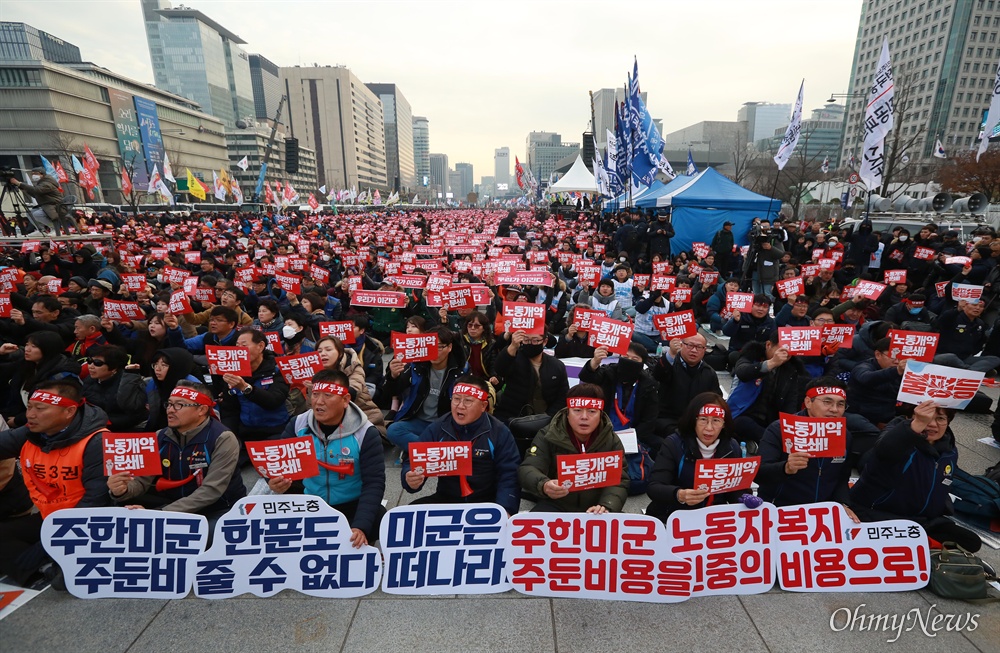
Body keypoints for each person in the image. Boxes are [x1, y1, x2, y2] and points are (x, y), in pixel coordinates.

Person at [0, 380, 110, 587]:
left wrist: (53, 541)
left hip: (87, 524)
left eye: (40, 409)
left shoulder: (97, 441)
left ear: (69, 411)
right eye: (30, 407)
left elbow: (96, 501)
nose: (30, 414)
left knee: (66, 577)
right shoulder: (32, 432)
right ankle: (41, 570)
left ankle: (45, 568)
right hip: (49, 516)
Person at [265, 370, 386, 547]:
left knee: (377, 518)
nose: (319, 402)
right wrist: (273, 480)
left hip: (352, 505)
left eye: (328, 395)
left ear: (345, 400)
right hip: (310, 504)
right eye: (315, 394)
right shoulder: (298, 424)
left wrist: (360, 526)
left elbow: (374, 482)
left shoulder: (366, 433)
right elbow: (277, 465)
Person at [851, 401, 981, 552]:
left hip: (924, 521)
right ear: (911, 418)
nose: (932, 424)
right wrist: (917, 425)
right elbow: (884, 450)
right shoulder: (897, 440)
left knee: (970, 541)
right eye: (925, 417)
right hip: (881, 517)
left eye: (940, 419)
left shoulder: (949, 450)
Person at [106, 381, 246, 521]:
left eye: (179, 405)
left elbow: (211, 491)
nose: (170, 410)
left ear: (202, 410)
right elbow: (141, 481)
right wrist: (121, 490)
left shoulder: (223, 438)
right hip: (173, 507)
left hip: (219, 509)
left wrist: (161, 514)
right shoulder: (159, 436)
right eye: (169, 404)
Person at [402, 376, 521, 515]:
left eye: (468, 401)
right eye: (456, 399)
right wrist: (409, 478)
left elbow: (509, 474)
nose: (460, 406)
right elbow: (413, 461)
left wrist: (505, 509)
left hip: (487, 501)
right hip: (447, 499)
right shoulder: (438, 427)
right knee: (409, 515)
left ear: (483, 406)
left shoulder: (499, 431)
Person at [757, 378, 876, 516]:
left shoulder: (845, 435)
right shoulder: (780, 429)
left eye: (840, 404)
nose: (834, 410)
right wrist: (785, 468)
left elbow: (842, 478)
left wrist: (843, 504)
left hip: (821, 513)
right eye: (827, 402)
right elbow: (758, 473)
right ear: (808, 402)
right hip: (780, 510)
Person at [518, 384, 630, 513]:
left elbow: (619, 479)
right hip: (557, 503)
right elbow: (529, 467)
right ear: (567, 413)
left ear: (600, 414)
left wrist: (608, 505)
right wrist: (543, 485)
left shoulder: (611, 440)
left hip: (596, 507)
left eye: (592, 411)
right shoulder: (548, 435)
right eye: (577, 410)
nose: (584, 417)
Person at [645, 393, 745, 521]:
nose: (709, 428)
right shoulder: (674, 444)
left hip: (713, 519)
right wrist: (679, 495)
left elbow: (734, 490)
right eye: (703, 419)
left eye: (716, 420)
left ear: (724, 423)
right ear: (694, 420)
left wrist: (744, 498)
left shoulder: (732, 447)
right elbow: (654, 487)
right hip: (673, 516)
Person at [384, 326, 466, 449]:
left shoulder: (460, 372)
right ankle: (433, 449)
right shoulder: (416, 367)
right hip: (418, 421)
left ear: (449, 347)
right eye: (430, 347)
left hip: (445, 424)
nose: (434, 351)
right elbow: (390, 392)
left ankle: (419, 448)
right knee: (393, 430)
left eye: (439, 347)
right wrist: (393, 376)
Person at [578, 342, 659, 453]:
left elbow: (649, 419)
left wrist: (632, 437)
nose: (629, 361)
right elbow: (587, 377)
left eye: (635, 359)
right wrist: (595, 362)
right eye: (625, 357)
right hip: (602, 429)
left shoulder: (648, 384)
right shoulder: (609, 372)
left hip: (633, 433)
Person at [220, 327, 290, 443]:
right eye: (237, 346)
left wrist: (245, 388)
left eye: (244, 345)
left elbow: (273, 401)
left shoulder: (278, 369)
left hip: (276, 431)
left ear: (261, 346)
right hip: (246, 432)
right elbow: (229, 411)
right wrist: (231, 438)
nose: (240, 350)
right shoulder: (233, 374)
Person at [651, 332, 722, 444]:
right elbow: (658, 374)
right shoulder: (670, 364)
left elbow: (716, 400)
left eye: (699, 347)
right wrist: (671, 353)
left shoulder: (709, 373)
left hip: (697, 422)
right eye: (690, 345)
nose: (694, 350)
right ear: (682, 345)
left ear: (705, 350)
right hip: (668, 419)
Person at [0, 331, 82, 428]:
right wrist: (1, 354)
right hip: (14, 415)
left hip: (41, 424)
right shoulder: (27, 364)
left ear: (48, 349)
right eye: (27, 345)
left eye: (34, 346)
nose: (27, 349)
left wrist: (18, 420)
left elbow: (51, 409)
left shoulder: (62, 375)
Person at [493, 328, 569, 421]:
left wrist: (548, 418)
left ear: (544, 341)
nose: (530, 343)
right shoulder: (514, 359)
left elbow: (562, 396)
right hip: (512, 417)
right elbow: (500, 369)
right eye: (526, 340)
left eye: (535, 340)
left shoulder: (556, 365)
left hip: (546, 420)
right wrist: (513, 346)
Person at [80, 344, 147, 431]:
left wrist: (103, 422)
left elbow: (134, 415)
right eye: (89, 361)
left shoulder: (127, 384)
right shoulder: (89, 380)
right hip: (95, 426)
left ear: (114, 368)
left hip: (123, 430)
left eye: (97, 363)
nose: (91, 366)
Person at [846, 337, 906, 427]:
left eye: (902, 357)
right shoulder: (863, 367)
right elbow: (866, 378)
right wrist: (896, 371)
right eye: (893, 356)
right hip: (862, 419)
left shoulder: (904, 370)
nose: (897, 361)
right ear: (878, 354)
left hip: (889, 417)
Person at [932, 299, 1000, 373]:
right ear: (964, 306)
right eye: (974, 305)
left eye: (981, 306)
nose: (977, 308)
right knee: (950, 357)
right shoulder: (952, 317)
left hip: (965, 358)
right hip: (944, 355)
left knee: (994, 359)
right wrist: (958, 309)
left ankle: (967, 371)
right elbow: (941, 320)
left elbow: (980, 342)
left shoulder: (980, 324)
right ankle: (971, 371)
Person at [8, 167, 75, 236]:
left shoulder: (47, 183)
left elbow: (37, 190)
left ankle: (55, 228)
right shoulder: (42, 182)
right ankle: (41, 230)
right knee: (29, 213)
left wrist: (19, 183)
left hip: (56, 207)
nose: (34, 175)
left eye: (36, 173)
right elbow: (36, 194)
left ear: (42, 174)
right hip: (48, 206)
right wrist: (22, 188)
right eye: (32, 174)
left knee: (37, 214)